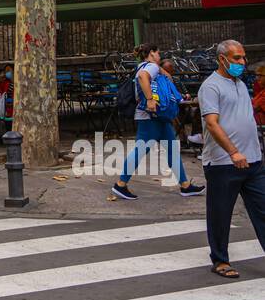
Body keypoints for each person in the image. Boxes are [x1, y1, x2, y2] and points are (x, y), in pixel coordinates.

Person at [197, 39, 265, 279]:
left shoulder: (240, 84)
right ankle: (220, 260)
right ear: (222, 59)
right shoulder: (211, 87)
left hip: (253, 162)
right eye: (237, 58)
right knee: (220, 213)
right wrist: (233, 152)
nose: (242, 63)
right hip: (223, 163)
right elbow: (212, 124)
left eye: (243, 58)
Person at [111, 43, 204, 201]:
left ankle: (185, 185)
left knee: (172, 150)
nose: (160, 56)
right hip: (150, 117)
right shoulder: (150, 68)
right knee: (141, 150)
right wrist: (150, 100)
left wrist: (162, 71)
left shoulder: (146, 66)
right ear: (152, 54)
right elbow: (143, 77)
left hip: (157, 118)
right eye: (158, 53)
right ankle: (120, 184)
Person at [253, 64, 265, 129]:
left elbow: (255, 108)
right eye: (257, 76)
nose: (257, 79)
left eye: (260, 76)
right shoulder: (262, 91)